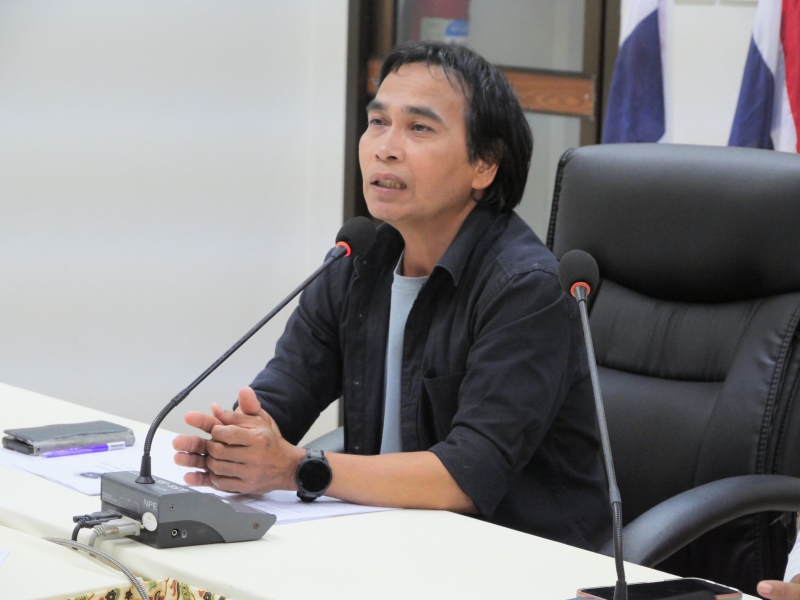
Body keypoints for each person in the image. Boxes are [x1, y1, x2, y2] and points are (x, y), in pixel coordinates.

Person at [173, 41, 612, 550]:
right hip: (386, 542)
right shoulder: (354, 262)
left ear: (484, 164)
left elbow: (468, 474)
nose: (385, 147)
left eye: (419, 128)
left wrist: (297, 468)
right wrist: (240, 444)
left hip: (518, 560)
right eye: (378, 122)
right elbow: (282, 396)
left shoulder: (525, 288)